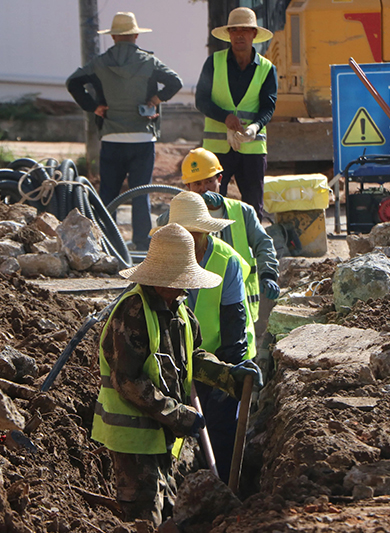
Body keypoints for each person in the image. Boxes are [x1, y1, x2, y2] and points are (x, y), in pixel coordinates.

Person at [91, 223, 262, 526]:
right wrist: (178, 415)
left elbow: (193, 358)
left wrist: (231, 375)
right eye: (180, 279)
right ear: (160, 277)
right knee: (146, 517)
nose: (186, 287)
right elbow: (128, 382)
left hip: (161, 439)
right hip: (133, 442)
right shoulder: (132, 313)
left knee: (168, 510)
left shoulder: (179, 310)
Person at [158, 192, 257, 483]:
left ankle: (223, 487)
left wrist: (229, 379)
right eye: (180, 234)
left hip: (219, 358)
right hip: (176, 360)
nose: (186, 241)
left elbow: (233, 325)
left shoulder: (227, 262)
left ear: (203, 233)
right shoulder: (166, 259)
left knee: (220, 430)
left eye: (192, 234)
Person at [66, 12, 182, 250]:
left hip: (111, 136)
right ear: (136, 35)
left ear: (113, 37)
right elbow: (175, 81)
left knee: (109, 193)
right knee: (141, 194)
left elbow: (73, 82)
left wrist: (93, 107)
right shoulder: (149, 62)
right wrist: (156, 99)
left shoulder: (99, 63)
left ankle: (108, 243)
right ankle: (141, 242)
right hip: (142, 137)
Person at [157, 148, 280, 321]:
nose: (203, 188)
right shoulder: (183, 214)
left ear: (219, 179)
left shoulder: (242, 212)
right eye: (197, 184)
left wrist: (268, 274)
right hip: (198, 301)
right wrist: (188, 205)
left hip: (237, 300)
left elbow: (263, 243)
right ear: (188, 187)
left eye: (208, 181)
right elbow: (161, 225)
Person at [195, 7, 277, 221]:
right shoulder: (214, 63)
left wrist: (254, 127)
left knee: (253, 209)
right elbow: (201, 100)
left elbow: (268, 107)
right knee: (210, 208)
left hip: (252, 148)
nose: (239, 34)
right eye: (234, 30)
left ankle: (251, 253)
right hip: (216, 150)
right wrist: (225, 117)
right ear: (229, 34)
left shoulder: (267, 68)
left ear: (254, 34)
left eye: (245, 30)